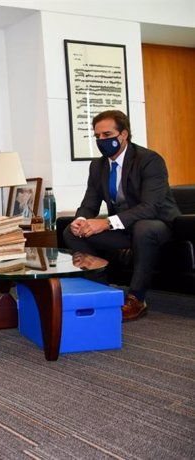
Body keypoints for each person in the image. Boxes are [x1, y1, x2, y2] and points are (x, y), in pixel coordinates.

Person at [63, 110, 180, 321]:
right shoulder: (98, 165)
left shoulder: (149, 160)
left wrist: (106, 223)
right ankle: (101, 291)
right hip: (125, 227)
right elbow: (89, 203)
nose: (101, 140)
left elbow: (151, 206)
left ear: (124, 134)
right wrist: (80, 221)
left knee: (143, 227)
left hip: (158, 225)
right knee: (71, 233)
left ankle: (137, 299)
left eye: (107, 135)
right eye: (97, 136)